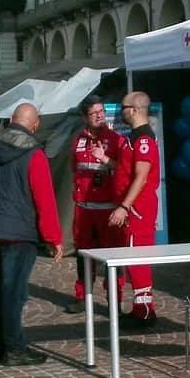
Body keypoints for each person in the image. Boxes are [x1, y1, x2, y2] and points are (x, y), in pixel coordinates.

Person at [0, 103, 63, 366]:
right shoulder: (33, 154)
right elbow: (45, 199)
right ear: (35, 124)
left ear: (10, 120)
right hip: (18, 234)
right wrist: (53, 238)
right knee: (14, 293)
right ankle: (13, 347)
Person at [65, 95, 130, 314]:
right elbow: (75, 168)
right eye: (94, 113)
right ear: (85, 116)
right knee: (84, 256)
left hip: (108, 210)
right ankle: (82, 297)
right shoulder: (77, 140)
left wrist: (106, 160)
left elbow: (126, 170)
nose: (99, 116)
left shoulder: (116, 140)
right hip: (84, 210)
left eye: (101, 112)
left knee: (113, 258)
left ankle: (115, 299)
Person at [108, 91, 163, 327]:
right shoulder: (134, 138)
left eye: (123, 106)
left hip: (138, 208)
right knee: (133, 258)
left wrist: (124, 206)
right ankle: (141, 307)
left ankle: (145, 312)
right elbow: (126, 170)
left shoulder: (143, 140)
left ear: (134, 109)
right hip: (134, 207)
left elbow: (140, 177)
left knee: (137, 256)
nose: (121, 111)